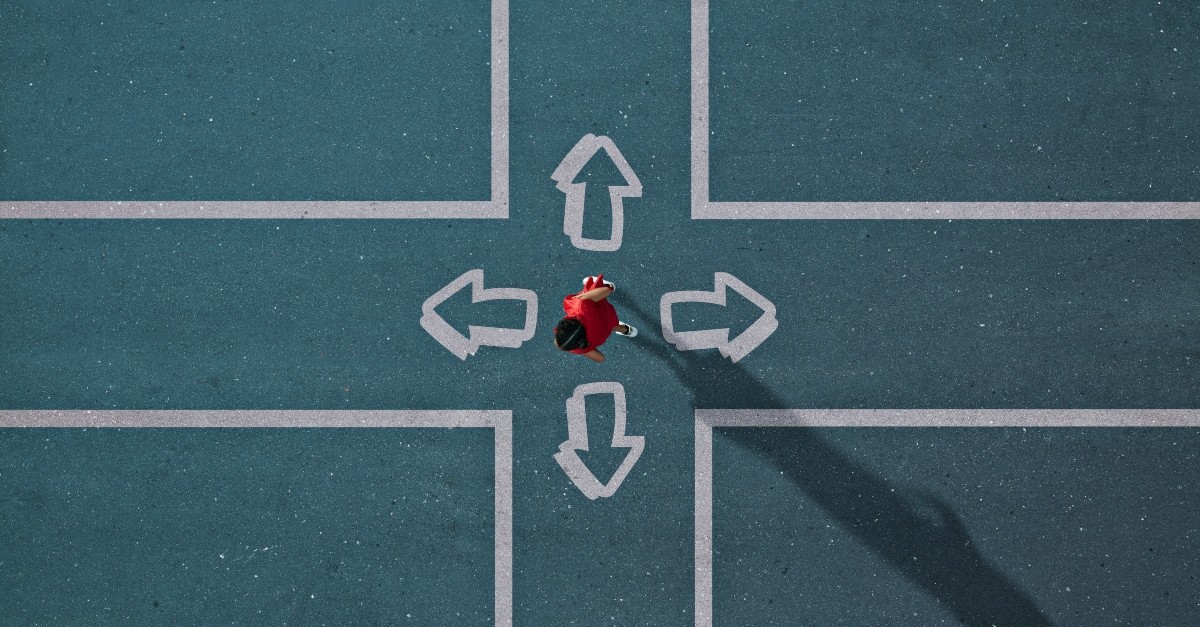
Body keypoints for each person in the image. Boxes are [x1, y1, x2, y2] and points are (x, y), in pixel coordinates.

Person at [554, 274, 637, 362]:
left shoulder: (580, 347)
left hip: (605, 327)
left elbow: (601, 358)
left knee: (609, 325)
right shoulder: (581, 306)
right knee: (585, 295)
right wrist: (608, 288)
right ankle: (608, 284)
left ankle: (628, 330)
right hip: (605, 311)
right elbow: (607, 291)